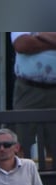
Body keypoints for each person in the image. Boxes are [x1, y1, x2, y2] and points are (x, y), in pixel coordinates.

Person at [10, 33, 56, 172]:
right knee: (21, 142)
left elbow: (30, 44)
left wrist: (38, 37)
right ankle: (19, 183)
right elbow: (22, 44)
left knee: (53, 146)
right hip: (28, 89)